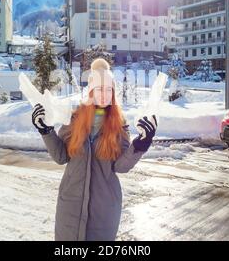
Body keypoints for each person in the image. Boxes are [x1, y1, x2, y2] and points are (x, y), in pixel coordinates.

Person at [32, 58, 157, 241]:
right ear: (90, 90)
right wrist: (46, 131)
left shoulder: (119, 124)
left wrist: (141, 144)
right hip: (70, 206)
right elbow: (61, 156)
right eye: (99, 89)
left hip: (104, 210)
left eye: (109, 89)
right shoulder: (74, 118)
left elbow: (121, 166)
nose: (104, 94)